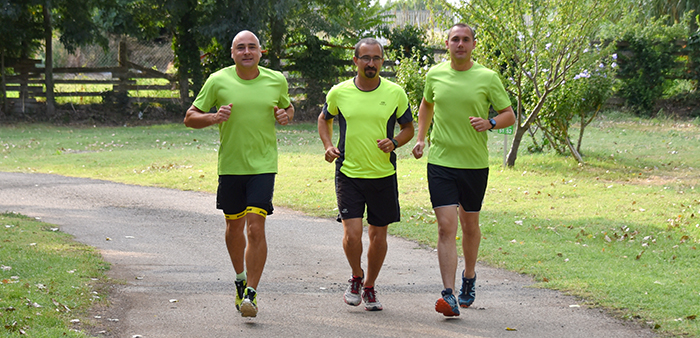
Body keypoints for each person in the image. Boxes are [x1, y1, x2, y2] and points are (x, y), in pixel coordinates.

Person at [183, 30, 294, 318]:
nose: (247, 52)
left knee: (256, 227)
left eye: (252, 47)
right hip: (231, 167)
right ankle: (240, 279)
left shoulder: (276, 80)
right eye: (240, 48)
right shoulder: (218, 80)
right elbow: (189, 117)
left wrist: (286, 115)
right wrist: (213, 117)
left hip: (263, 166)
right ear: (233, 53)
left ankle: (252, 294)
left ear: (260, 52)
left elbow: (287, 108)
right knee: (234, 229)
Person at [412, 23, 516, 317]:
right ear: (446, 44)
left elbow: (509, 114)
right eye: (455, 39)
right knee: (446, 226)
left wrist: (491, 123)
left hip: (473, 164)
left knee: (469, 225)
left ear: (473, 45)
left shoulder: (487, 77)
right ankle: (449, 294)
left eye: (465, 40)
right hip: (441, 162)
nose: (460, 44)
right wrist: (421, 139)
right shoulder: (435, 75)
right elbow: (426, 106)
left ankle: (468, 276)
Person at [318, 38, 414, 311]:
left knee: (378, 237)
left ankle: (369, 285)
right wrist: (328, 145)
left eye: (376, 58)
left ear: (382, 61)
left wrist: (395, 142)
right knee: (352, 234)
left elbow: (408, 127)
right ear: (355, 60)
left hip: (383, 174)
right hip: (348, 172)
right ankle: (356, 276)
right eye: (366, 58)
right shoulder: (339, 92)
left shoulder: (396, 93)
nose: (371, 63)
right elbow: (324, 118)